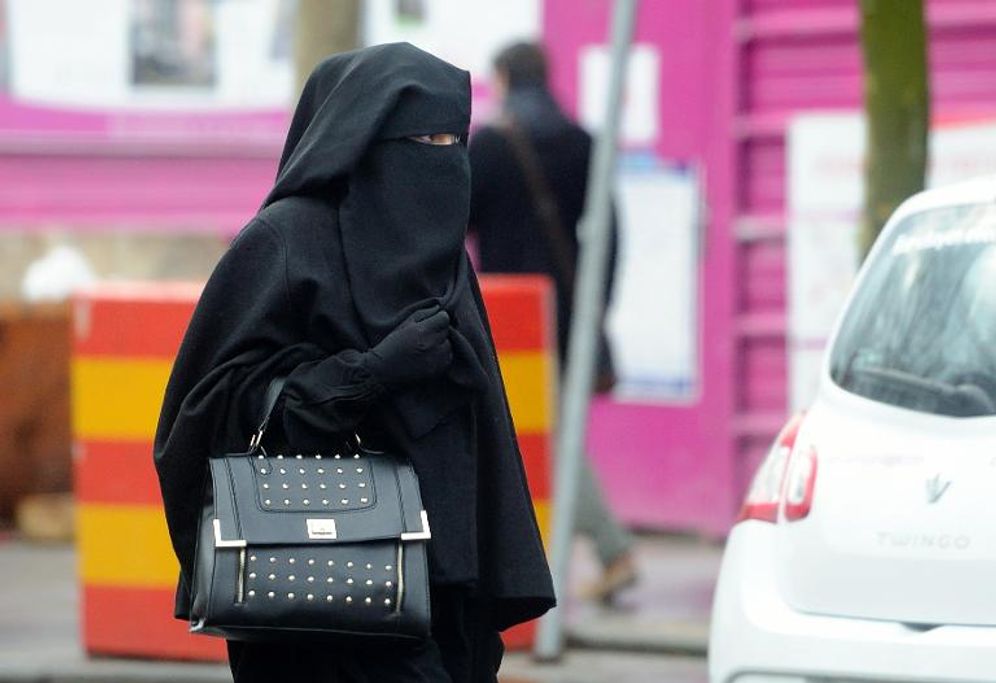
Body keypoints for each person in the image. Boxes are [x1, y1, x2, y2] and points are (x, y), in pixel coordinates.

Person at [153, 43, 555, 683]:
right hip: (317, 586)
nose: (443, 158)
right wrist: (371, 373)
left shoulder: (444, 258)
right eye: (422, 138)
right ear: (362, 143)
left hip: (443, 584)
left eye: (454, 138)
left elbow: (479, 420)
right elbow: (207, 411)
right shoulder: (285, 242)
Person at [469, 41, 637, 604]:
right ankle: (592, 552)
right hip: (570, 313)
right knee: (549, 433)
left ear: (503, 78)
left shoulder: (490, 146)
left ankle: (613, 550)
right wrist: (596, 309)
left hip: (511, 317)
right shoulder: (582, 143)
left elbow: (454, 227)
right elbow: (610, 233)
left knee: (546, 439)